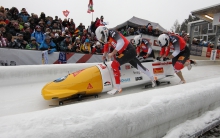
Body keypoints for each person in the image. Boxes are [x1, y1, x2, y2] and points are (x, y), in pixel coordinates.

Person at [95, 26, 156, 95]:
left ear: (105, 33)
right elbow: (106, 47)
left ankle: (117, 87)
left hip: (128, 50)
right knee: (139, 67)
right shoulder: (107, 39)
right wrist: (104, 55)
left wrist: (112, 53)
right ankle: (153, 78)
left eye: (102, 38)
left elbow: (121, 42)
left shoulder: (112, 32)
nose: (102, 40)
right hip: (127, 52)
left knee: (114, 64)